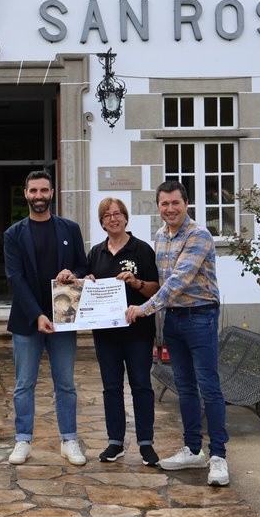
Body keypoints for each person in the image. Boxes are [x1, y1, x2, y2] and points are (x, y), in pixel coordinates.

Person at [126, 180, 229, 486]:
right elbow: (159, 280)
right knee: (184, 387)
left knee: (209, 386)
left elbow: (178, 281)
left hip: (201, 317)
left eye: (175, 203)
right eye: (164, 204)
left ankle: (219, 456)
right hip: (174, 318)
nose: (170, 209)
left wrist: (145, 308)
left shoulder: (199, 235)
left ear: (187, 204)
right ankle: (194, 449)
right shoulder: (160, 236)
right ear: (158, 207)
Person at [3, 170, 89, 466]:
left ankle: (69, 440)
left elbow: (82, 263)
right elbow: (15, 277)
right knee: (23, 384)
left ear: (52, 192)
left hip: (64, 318)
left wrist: (73, 273)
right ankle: (22, 440)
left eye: (44, 190)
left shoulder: (70, 229)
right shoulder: (13, 233)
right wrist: (38, 314)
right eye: (33, 191)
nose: (38, 196)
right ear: (25, 194)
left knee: (65, 383)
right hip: (28, 320)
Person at [85, 197, 160, 466]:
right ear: (102, 221)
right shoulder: (95, 253)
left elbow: (156, 289)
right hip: (106, 334)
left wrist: (136, 282)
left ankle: (146, 443)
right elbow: (85, 290)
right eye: (106, 215)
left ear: (126, 218)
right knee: (111, 388)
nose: (112, 219)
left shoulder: (141, 250)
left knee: (141, 387)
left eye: (117, 214)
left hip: (137, 332)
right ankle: (115, 441)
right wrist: (87, 281)